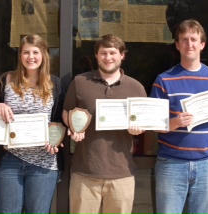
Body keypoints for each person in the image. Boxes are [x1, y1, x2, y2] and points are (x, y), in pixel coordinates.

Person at [150, 19, 208, 214]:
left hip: (206, 163)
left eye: (194, 39)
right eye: (184, 39)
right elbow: (154, 124)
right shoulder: (164, 80)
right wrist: (176, 122)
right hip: (171, 163)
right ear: (178, 45)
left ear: (202, 44)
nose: (190, 44)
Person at [62, 34, 147, 214]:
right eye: (103, 53)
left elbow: (144, 121)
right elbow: (67, 112)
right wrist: (73, 126)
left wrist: (139, 129)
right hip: (85, 172)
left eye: (112, 53)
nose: (108, 58)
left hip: (121, 174)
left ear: (122, 55)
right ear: (96, 55)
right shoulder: (80, 82)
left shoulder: (136, 87)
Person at [0, 34, 64, 214]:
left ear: (44, 55)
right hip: (9, 161)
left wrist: (56, 139)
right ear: (20, 55)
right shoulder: (6, 80)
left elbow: (59, 121)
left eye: (35, 52)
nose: (30, 57)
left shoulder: (54, 83)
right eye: (26, 52)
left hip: (43, 163)